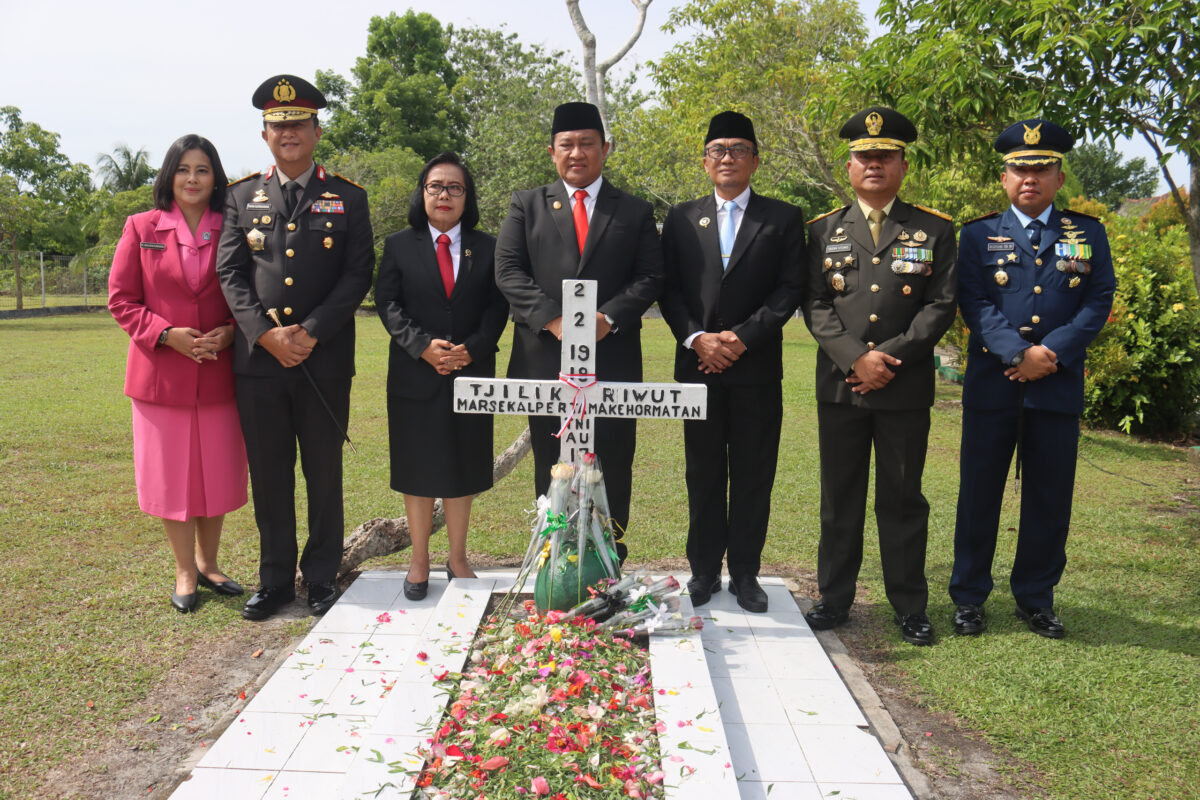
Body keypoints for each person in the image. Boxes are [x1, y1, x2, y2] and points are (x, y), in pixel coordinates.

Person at [216, 74, 374, 621]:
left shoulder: (348, 196)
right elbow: (231, 273)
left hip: (322, 359)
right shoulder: (239, 195)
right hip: (260, 364)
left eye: (298, 124)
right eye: (279, 126)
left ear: (316, 130)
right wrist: (264, 334)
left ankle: (323, 578)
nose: (289, 133)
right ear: (265, 134)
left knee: (323, 472)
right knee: (270, 473)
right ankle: (276, 580)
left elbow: (358, 274)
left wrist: (309, 331)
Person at [949, 120, 1115, 639]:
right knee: (979, 495)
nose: (1030, 178)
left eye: (1041, 168)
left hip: (1056, 387)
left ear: (1059, 177)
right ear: (1004, 177)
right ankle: (970, 597)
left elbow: (1098, 300)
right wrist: (1020, 352)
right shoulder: (977, 235)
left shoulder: (1087, 234)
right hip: (993, 386)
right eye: (1020, 168)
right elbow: (972, 301)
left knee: (1049, 498)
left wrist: (1051, 354)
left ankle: (1036, 598)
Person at [802, 107, 958, 645]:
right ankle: (833, 598)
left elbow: (940, 306)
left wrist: (885, 359)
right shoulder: (822, 230)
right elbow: (816, 305)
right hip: (842, 388)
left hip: (904, 387)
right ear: (849, 166)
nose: (874, 165)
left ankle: (910, 605)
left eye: (884, 157)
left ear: (902, 164)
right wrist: (854, 359)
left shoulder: (933, 229)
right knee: (840, 497)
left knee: (902, 498)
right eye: (864, 157)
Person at [494, 101, 663, 563]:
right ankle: (550, 557)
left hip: (612, 358)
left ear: (604, 149)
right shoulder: (526, 205)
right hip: (545, 359)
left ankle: (610, 558)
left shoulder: (633, 210)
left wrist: (605, 320)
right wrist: (554, 320)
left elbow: (650, 276)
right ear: (551, 152)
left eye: (587, 143)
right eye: (566, 145)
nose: (577, 153)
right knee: (552, 468)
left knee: (612, 463)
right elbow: (508, 270)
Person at [659, 111, 805, 613]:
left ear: (756, 161)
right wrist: (697, 338)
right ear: (705, 161)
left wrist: (740, 338)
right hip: (696, 367)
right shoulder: (680, 218)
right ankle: (703, 571)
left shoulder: (783, 218)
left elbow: (789, 290)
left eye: (738, 149)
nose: (728, 157)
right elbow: (670, 288)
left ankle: (745, 573)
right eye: (718, 150)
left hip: (756, 368)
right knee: (701, 472)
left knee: (752, 473)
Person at [108, 134, 248, 614]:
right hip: (160, 376)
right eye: (184, 169)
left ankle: (210, 564)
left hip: (219, 373)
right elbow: (121, 300)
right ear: (169, 175)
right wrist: (167, 335)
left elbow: (249, 292)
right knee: (173, 480)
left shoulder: (234, 225)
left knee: (217, 474)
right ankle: (185, 568)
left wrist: (230, 333)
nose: (192, 178)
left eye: (203, 169)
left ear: (216, 178)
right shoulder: (140, 226)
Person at [375, 153, 509, 600]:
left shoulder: (488, 247)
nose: (444, 195)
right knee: (418, 469)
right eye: (436, 186)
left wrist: (473, 348)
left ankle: (457, 557)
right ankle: (418, 560)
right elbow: (388, 304)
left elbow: (497, 306)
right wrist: (422, 346)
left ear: (466, 197)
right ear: (423, 193)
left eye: (455, 187)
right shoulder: (398, 245)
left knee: (462, 466)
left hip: (470, 373)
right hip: (416, 375)